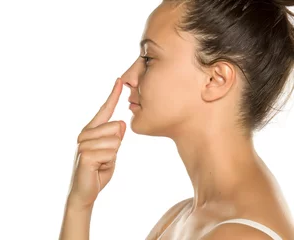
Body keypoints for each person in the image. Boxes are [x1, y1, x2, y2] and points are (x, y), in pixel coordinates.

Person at [59, 0, 294, 239]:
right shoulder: (182, 216)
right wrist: (79, 205)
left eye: (148, 58)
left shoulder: (241, 235)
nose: (129, 77)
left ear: (216, 80)